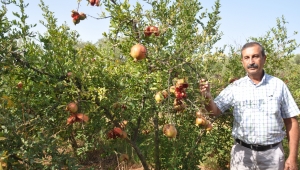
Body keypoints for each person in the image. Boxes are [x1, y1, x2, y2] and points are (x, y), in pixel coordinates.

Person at [199, 42, 299, 170]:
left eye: (255, 56)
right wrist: (206, 96)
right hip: (242, 155)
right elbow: (214, 112)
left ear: (264, 58)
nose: (251, 61)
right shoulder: (235, 87)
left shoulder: (278, 86)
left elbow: (292, 122)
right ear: (242, 61)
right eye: (247, 58)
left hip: (272, 156)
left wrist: (292, 157)